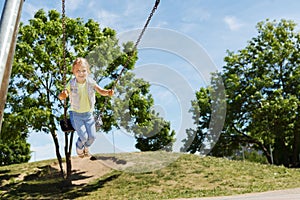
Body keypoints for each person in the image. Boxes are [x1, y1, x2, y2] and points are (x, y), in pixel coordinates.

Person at [58, 57, 114, 158]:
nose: (81, 73)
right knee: (84, 137)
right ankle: (79, 147)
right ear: (73, 72)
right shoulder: (71, 84)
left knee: (92, 137)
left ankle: (86, 147)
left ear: (87, 71)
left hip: (88, 115)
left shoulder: (91, 82)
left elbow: (101, 91)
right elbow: (64, 94)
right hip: (76, 115)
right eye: (78, 70)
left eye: (84, 70)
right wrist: (63, 95)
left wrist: (108, 92)